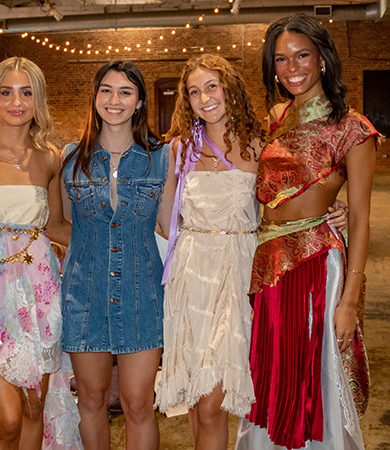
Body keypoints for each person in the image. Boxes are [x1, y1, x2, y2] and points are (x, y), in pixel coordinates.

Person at [154, 54, 347, 450]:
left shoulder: (263, 145)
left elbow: (290, 199)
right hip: (191, 275)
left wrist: (333, 210)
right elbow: (162, 222)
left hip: (240, 270)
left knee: (215, 400)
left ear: (230, 89)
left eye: (212, 86)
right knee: (196, 396)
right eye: (194, 91)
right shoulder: (179, 149)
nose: (204, 97)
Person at [236, 13, 382, 450]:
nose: (291, 67)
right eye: (280, 59)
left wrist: (351, 299)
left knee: (313, 378)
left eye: (302, 55)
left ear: (322, 59)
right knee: (270, 373)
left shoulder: (353, 128)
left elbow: (360, 216)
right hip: (268, 264)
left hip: (316, 263)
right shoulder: (277, 116)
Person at [0, 57, 80, 449]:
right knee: (6, 421)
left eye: (26, 93)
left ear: (38, 100)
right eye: (7, 92)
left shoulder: (50, 158)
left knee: (34, 409)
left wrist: (114, 239)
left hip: (41, 298)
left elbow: (55, 227)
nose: (16, 102)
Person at [60, 60, 176, 450]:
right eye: (106, 90)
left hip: (142, 295)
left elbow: (171, 226)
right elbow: (56, 223)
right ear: (95, 98)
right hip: (84, 296)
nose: (115, 100)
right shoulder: (70, 157)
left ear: (140, 101)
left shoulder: (161, 157)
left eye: (125, 92)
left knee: (138, 405)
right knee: (90, 401)